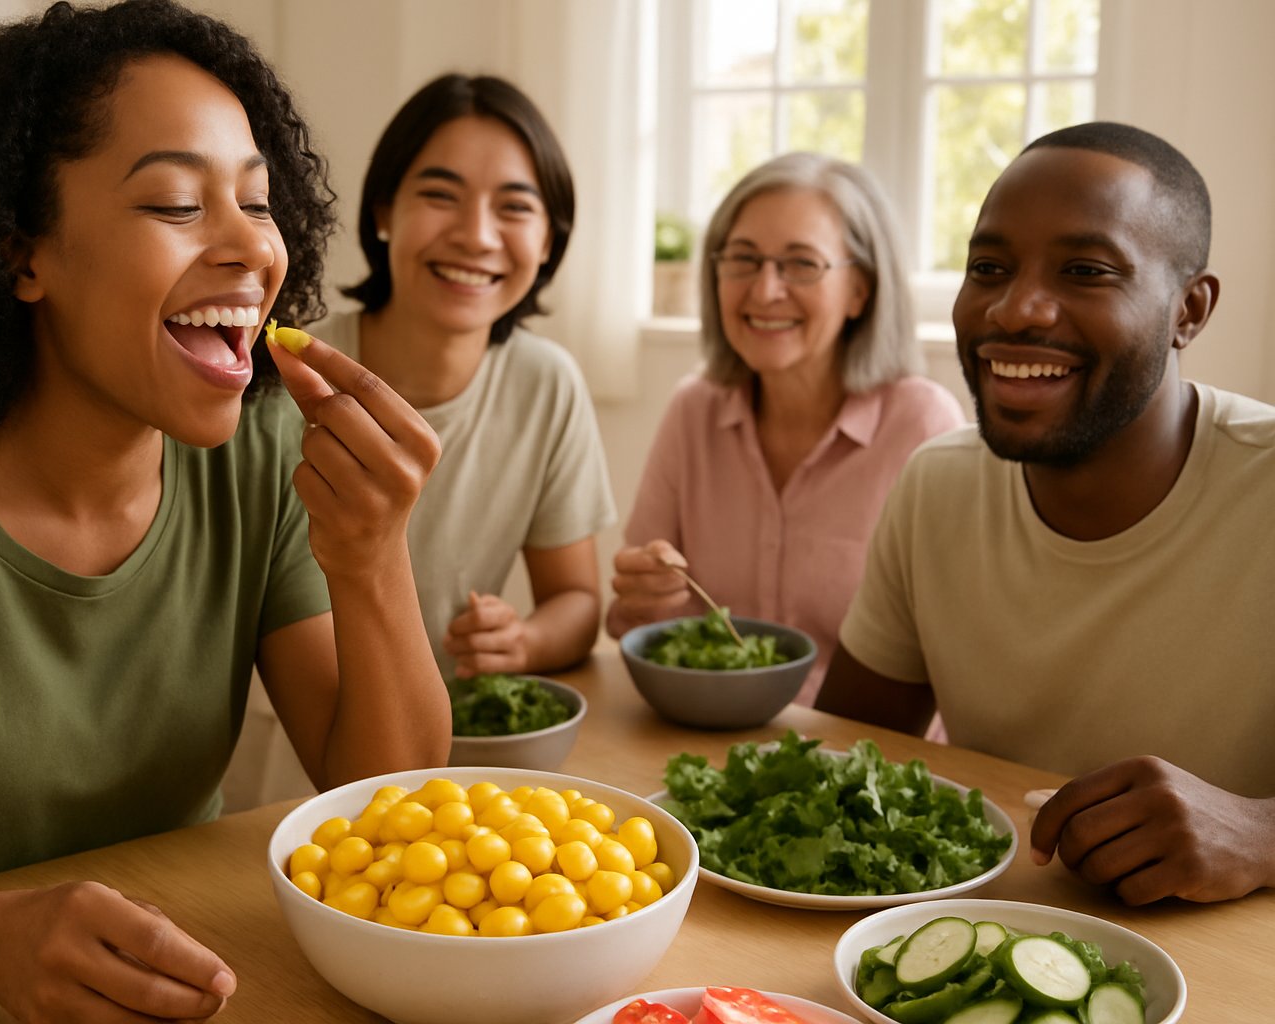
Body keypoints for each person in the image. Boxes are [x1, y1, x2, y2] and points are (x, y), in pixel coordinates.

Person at [0, 2, 450, 1020]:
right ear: (19, 254)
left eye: (257, 201)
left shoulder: (260, 460)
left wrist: (375, 558)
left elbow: (397, 818)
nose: (252, 249)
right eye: (173, 203)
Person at [816, 122, 1275, 905]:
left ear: (1188, 311)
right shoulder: (938, 485)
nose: (1016, 309)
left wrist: (1266, 835)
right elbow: (850, 753)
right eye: (988, 268)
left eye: (1086, 271)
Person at [605, 153, 965, 706]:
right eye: (743, 260)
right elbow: (631, 625)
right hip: (705, 740)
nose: (765, 290)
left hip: (866, 757)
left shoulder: (924, 424)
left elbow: (954, 660)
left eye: (801, 265)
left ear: (860, 292)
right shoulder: (692, 409)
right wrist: (639, 599)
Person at [307, 74, 616, 681]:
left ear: (549, 240)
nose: (476, 235)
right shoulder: (296, 371)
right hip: (292, 758)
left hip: (459, 761)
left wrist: (523, 641)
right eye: (441, 195)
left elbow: (576, 603)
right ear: (384, 211)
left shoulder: (546, 384)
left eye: (515, 208)